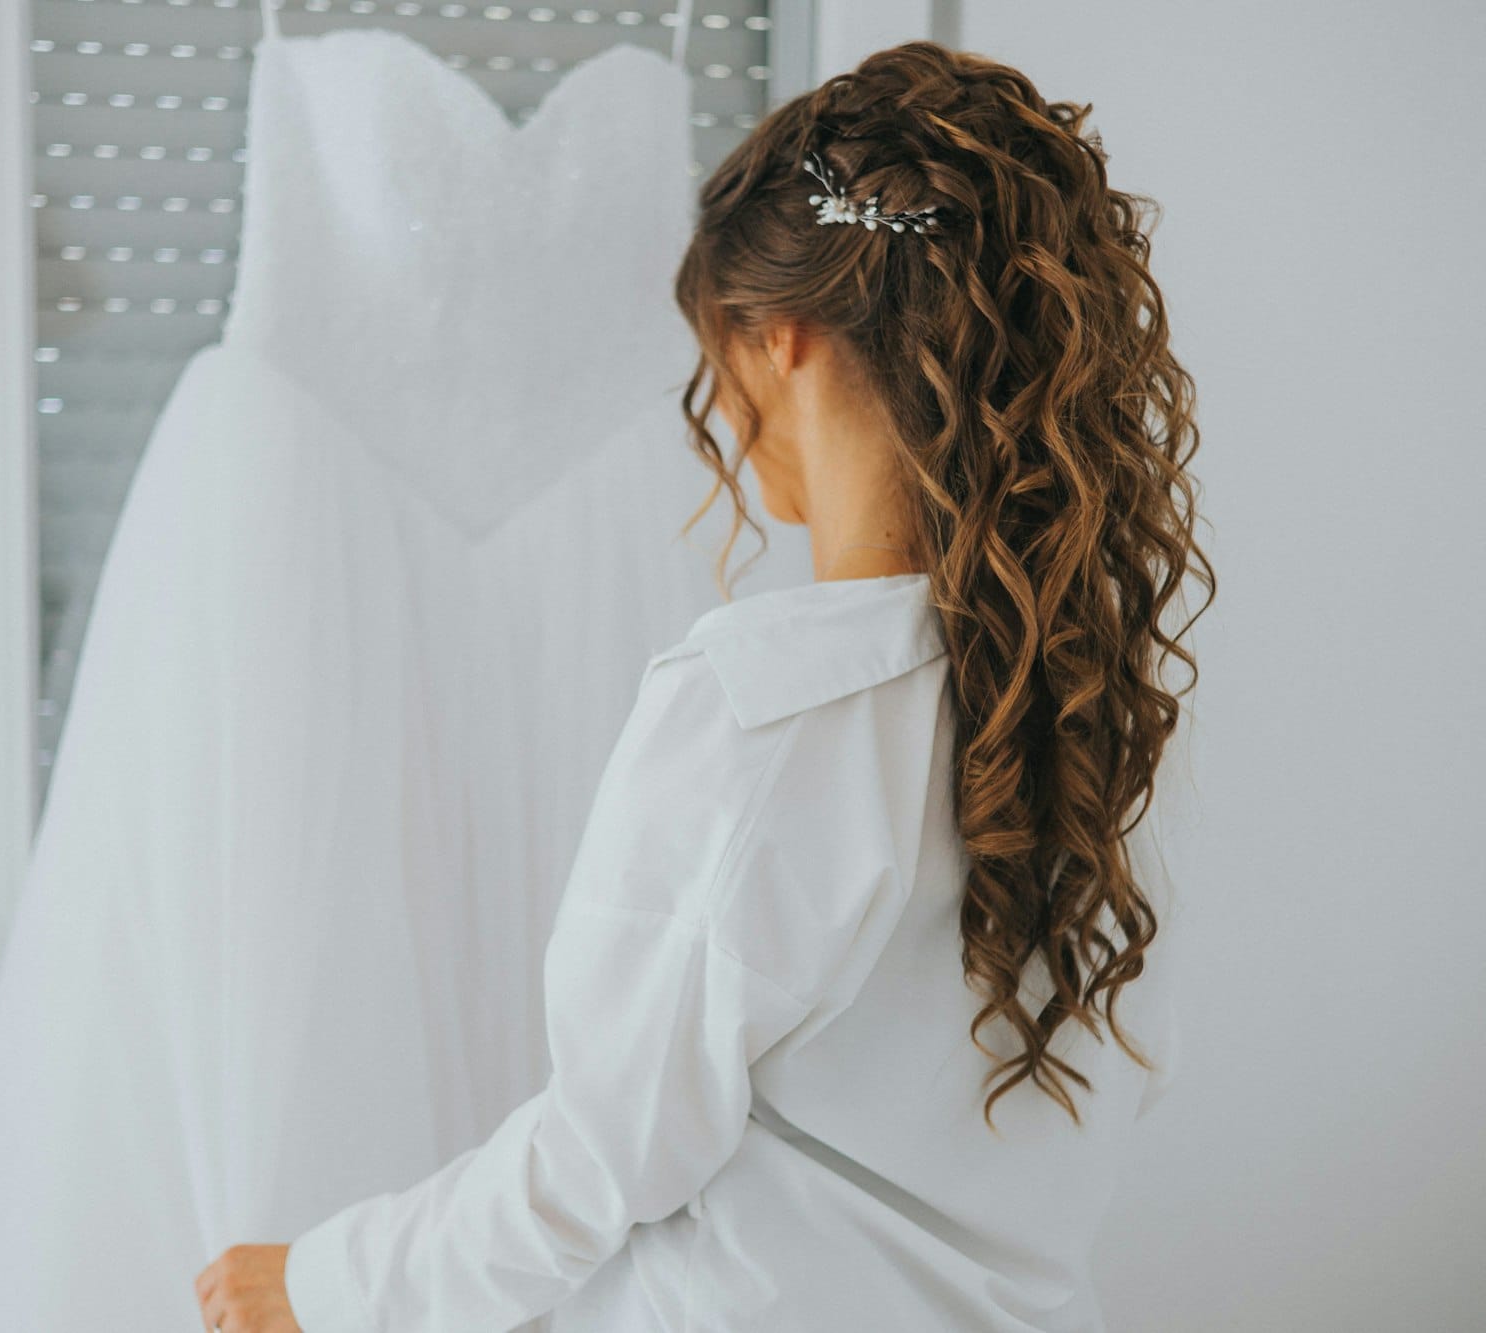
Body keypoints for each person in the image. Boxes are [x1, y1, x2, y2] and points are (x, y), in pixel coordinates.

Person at [195, 37, 1212, 1333]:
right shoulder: (1108, 719)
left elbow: (603, 1154)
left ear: (777, 339)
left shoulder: (766, 706)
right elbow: (1125, 1080)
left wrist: (328, 1282)